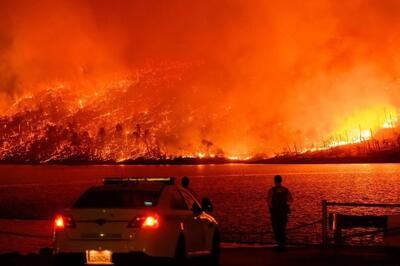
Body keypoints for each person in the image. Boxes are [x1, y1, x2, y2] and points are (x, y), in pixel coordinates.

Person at [267, 175, 293, 249]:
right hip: (283, 212)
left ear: (274, 181)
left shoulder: (271, 190)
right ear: (281, 181)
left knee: (276, 228)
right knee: (283, 228)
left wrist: (272, 208)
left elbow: (269, 202)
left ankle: (279, 244)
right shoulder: (286, 190)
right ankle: (283, 244)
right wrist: (285, 205)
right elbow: (290, 200)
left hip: (275, 212)